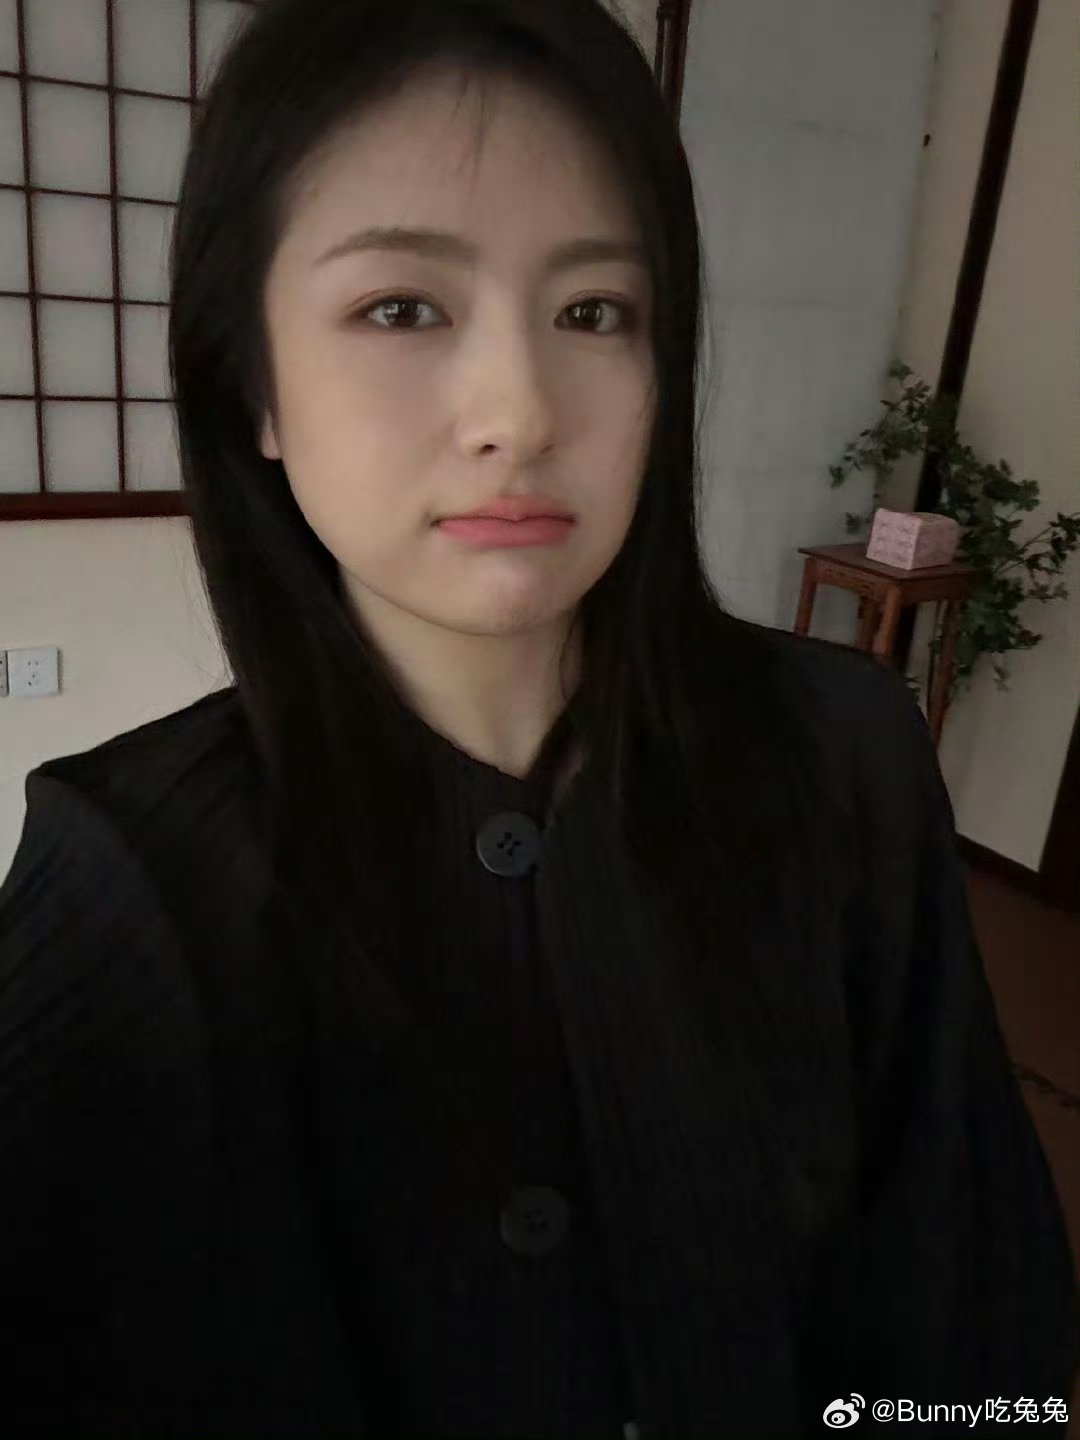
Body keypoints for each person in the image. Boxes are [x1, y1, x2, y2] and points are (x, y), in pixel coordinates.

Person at [1, 0, 1077, 1435]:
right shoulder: (125, 883)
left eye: (594, 312)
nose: (518, 410)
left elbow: (972, 1321)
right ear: (253, 386)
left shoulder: (845, 754)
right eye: (402, 308)